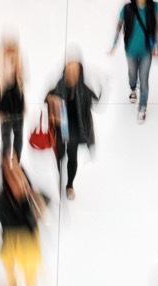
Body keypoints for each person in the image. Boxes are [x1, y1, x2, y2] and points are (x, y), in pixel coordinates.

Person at [0, 157, 48, 286]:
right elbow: (11, 222)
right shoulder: (1, 200)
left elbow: (45, 205)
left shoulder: (30, 194)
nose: (17, 182)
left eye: (19, 177)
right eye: (12, 178)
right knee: (10, 272)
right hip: (11, 239)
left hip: (28, 242)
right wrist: (26, 205)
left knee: (30, 271)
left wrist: (37, 202)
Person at [46, 60, 99, 200]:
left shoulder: (83, 89)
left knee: (72, 158)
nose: (71, 73)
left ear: (79, 73)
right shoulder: (59, 85)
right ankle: (60, 177)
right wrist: (51, 99)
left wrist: (101, 85)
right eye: (69, 70)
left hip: (75, 130)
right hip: (60, 128)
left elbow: (97, 101)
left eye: (74, 71)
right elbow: (46, 98)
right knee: (59, 155)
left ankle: (69, 185)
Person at [112, 0, 158, 123]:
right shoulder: (127, 8)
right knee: (132, 74)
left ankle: (142, 107)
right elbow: (119, 26)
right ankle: (133, 88)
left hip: (147, 51)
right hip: (131, 50)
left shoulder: (155, 6)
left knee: (144, 79)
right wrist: (114, 44)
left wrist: (156, 45)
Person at [0, 35, 26, 161]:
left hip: (17, 104)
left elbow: (24, 83)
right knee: (6, 137)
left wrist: (20, 73)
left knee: (18, 136)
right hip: (3, 104)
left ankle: (16, 163)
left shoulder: (20, 59)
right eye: (8, 45)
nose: (11, 49)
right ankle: (6, 168)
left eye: (13, 46)